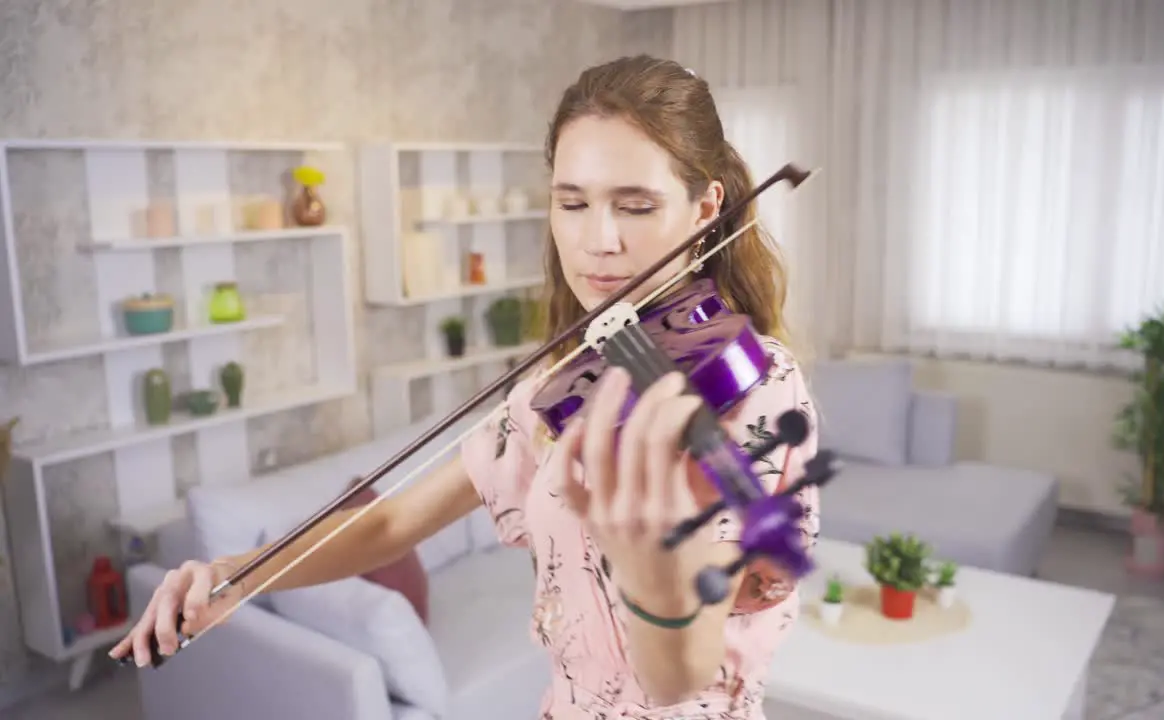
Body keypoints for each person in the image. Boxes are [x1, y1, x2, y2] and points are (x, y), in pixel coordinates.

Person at [109, 55, 821, 718]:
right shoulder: (558, 390)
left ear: (705, 210)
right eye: (572, 203)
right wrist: (238, 578)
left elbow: (680, 680)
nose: (598, 240)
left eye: (635, 205)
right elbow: (391, 523)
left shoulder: (756, 393)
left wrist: (658, 575)